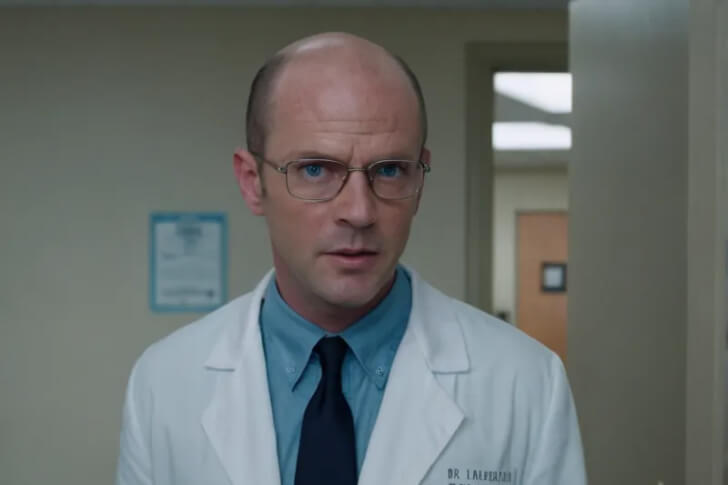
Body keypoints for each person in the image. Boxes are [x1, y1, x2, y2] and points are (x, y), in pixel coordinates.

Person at [116, 32, 587, 485]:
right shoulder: (163, 383)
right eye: (315, 169)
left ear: (420, 181)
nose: (359, 212)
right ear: (252, 182)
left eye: (390, 170)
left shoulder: (526, 383)